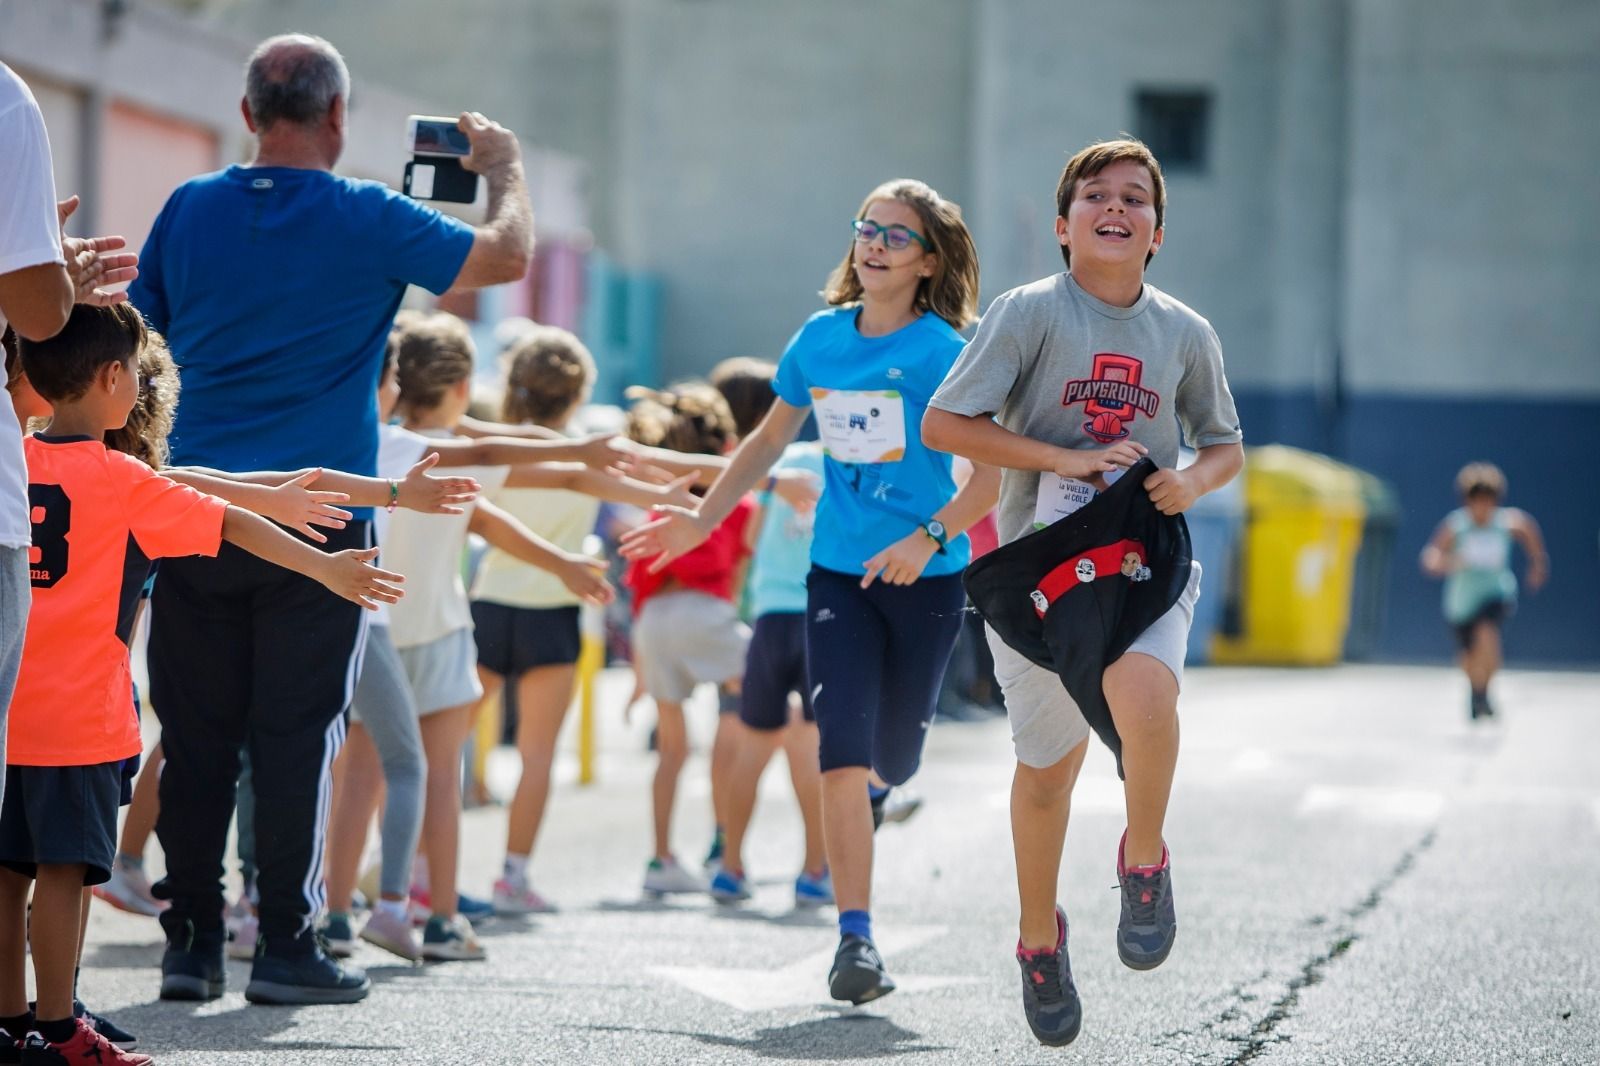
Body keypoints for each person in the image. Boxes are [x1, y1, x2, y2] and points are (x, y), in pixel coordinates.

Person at [124, 33, 538, 1003]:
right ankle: (284, 947)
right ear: (339, 119)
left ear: (247, 116)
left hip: (201, 501)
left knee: (196, 732)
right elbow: (508, 254)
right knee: (298, 736)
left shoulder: (187, 208)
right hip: (325, 520)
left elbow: (142, 344)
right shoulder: (370, 215)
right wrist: (506, 168)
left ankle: (188, 944)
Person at [623, 178, 999, 1004]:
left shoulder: (946, 352)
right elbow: (762, 446)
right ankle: (855, 940)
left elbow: (989, 485)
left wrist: (926, 539)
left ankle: (872, 796)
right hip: (836, 576)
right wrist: (701, 517)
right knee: (841, 749)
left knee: (892, 758)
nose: (874, 243)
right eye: (867, 228)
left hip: (927, 578)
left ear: (930, 260)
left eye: (897, 235)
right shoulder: (820, 340)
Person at [2, 304, 402, 1062]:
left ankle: (12, 1019)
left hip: (7, 708)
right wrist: (325, 567)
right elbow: (225, 522)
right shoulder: (119, 477)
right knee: (63, 872)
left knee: (7, 870)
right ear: (115, 379)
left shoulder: (14, 459)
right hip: (78, 718)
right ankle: (59, 1028)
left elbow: (210, 488)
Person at [922, 138, 1244, 1046]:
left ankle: (1144, 860)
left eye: (1134, 198)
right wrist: (1062, 459)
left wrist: (1192, 482)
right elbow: (945, 421)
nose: (1115, 206)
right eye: (1095, 196)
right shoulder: (1029, 314)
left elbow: (1223, 442)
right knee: (1046, 773)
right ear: (1064, 228)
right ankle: (1038, 941)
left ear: (1157, 232)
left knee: (1143, 693)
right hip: (1038, 573)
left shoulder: (1185, 332)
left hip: (1144, 554)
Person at [0, 60, 137, 806]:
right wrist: (48, 264)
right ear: (112, 380)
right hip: (77, 738)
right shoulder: (7, 101)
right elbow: (37, 312)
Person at [703, 357, 830, 907]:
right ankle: (814, 870)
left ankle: (730, 866)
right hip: (824, 616)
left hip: (771, 618)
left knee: (753, 746)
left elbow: (751, 536)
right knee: (811, 748)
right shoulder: (850, 469)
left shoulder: (786, 465)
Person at [1420, 461, 1548, 720]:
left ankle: (1484, 690)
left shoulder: (1506, 522)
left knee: (1487, 636)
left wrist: (1538, 563)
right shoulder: (1457, 526)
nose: (1482, 508)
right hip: (1462, 601)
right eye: (1477, 501)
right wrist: (1447, 562)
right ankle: (1476, 691)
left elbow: (1528, 530)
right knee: (1468, 656)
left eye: (1488, 500)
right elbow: (1430, 556)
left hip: (1495, 593)